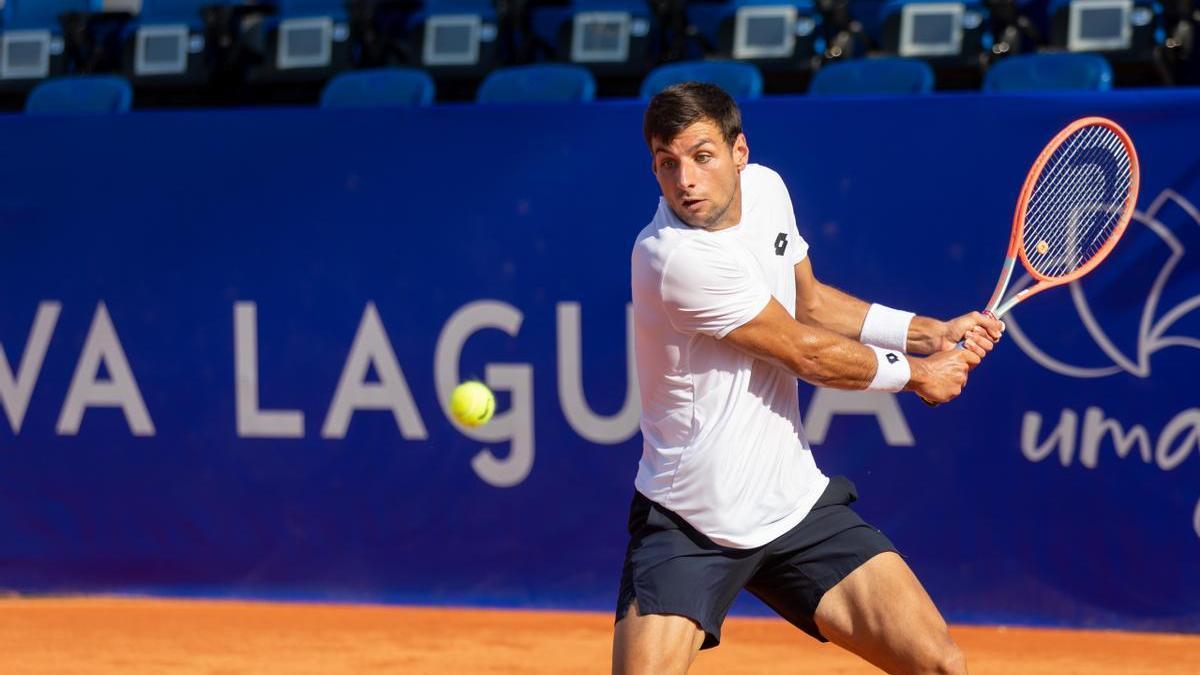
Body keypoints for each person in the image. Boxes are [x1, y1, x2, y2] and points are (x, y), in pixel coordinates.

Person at [613, 82, 1005, 675]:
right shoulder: (672, 257)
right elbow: (805, 352)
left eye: (701, 156)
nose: (685, 180)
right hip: (690, 520)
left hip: (792, 503)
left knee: (939, 665)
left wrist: (923, 333)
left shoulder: (767, 189)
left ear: (739, 152)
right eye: (667, 164)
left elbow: (811, 303)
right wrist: (920, 375)